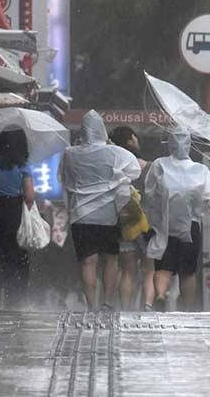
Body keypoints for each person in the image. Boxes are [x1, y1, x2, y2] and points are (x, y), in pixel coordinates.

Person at [60, 111, 141, 310]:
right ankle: (107, 303)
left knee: (88, 262)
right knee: (111, 259)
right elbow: (134, 170)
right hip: (108, 214)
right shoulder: (114, 153)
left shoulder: (70, 153)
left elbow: (64, 178)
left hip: (81, 215)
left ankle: (91, 305)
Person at [144, 126, 210, 311]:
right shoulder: (200, 170)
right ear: (189, 145)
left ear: (170, 144)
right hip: (190, 227)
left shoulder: (159, 165)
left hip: (163, 226)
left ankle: (159, 294)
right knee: (188, 272)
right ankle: (188, 308)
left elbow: (149, 193)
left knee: (163, 267)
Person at [0, 127, 36, 309]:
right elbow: (30, 196)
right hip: (14, 212)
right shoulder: (22, 165)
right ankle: (14, 297)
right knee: (16, 255)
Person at [109, 126, 154, 310]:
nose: (137, 141)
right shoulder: (149, 167)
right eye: (135, 137)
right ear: (130, 140)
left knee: (127, 270)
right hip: (147, 223)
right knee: (149, 269)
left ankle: (125, 309)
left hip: (124, 222)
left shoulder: (114, 168)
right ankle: (147, 305)